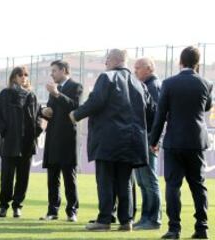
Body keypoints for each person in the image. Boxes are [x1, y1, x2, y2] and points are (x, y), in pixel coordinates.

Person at [69, 49, 155, 231]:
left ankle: (104, 219)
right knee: (125, 181)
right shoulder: (140, 84)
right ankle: (126, 221)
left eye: (106, 60)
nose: (105, 63)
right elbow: (151, 111)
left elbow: (96, 101)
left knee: (105, 179)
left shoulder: (107, 77)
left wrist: (76, 114)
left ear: (113, 60)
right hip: (132, 141)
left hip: (108, 139)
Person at [150, 46, 212, 239]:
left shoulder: (169, 83)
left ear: (180, 61)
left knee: (173, 186)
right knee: (198, 185)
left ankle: (174, 229)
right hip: (196, 141)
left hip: (174, 141)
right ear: (198, 64)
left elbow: (161, 114)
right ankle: (202, 228)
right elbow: (207, 106)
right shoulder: (207, 83)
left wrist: (153, 140)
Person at [0, 66, 42, 218]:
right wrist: (4, 131)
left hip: (27, 143)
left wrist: (36, 132)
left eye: (26, 75)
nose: (23, 77)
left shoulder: (31, 96)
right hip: (9, 142)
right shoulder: (4, 94)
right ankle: (3, 206)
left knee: (23, 178)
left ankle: (17, 206)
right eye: (20, 74)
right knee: (6, 177)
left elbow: (38, 116)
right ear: (13, 77)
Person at [39, 60, 83, 222]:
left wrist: (57, 93)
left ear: (64, 70)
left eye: (54, 71)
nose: (52, 74)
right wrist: (44, 111)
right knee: (52, 177)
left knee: (69, 177)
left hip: (67, 138)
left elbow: (74, 107)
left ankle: (72, 211)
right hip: (52, 137)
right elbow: (51, 111)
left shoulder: (76, 86)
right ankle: (52, 211)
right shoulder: (53, 90)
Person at [133, 57, 162, 230]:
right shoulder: (146, 85)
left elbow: (159, 116)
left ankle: (153, 219)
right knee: (143, 181)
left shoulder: (154, 86)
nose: (135, 70)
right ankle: (146, 217)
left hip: (149, 141)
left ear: (149, 68)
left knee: (149, 181)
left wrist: (154, 140)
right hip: (142, 139)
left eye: (138, 67)